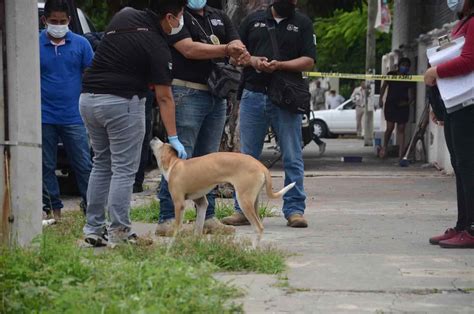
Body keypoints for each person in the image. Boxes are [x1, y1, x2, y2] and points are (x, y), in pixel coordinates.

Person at [80, 0, 188, 247]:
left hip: (88, 99)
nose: (181, 22)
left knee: (101, 163)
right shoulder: (158, 45)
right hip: (122, 102)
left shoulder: (124, 15)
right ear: (170, 17)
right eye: (180, 16)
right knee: (123, 169)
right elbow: (164, 96)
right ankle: (120, 232)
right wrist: (173, 137)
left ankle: (94, 227)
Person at [156, 0, 250, 236]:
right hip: (187, 92)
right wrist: (227, 49)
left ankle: (207, 218)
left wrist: (238, 49)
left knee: (210, 162)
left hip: (216, 94)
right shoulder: (178, 15)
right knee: (178, 157)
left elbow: (234, 38)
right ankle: (167, 218)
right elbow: (188, 49)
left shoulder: (217, 15)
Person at [221, 0, 316, 228]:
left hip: (286, 98)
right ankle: (243, 210)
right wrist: (252, 60)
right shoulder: (252, 21)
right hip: (254, 95)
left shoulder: (302, 23)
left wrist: (280, 65)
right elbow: (235, 55)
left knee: (292, 156)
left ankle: (294, 210)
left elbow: (309, 61)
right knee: (246, 159)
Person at [424, 0, 474, 249]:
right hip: (456, 104)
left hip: (469, 106)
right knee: (460, 165)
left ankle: (472, 229)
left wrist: (437, 72)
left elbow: (468, 60)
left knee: (468, 166)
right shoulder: (462, 23)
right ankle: (463, 224)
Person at [39, 0, 93, 220]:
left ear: (69, 21)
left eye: (62, 21)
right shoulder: (33, 43)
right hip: (43, 116)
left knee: (83, 165)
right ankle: (53, 211)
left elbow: (91, 76)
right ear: (45, 20)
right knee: (45, 166)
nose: (58, 25)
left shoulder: (81, 45)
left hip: (74, 117)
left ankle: (92, 207)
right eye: (54, 21)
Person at [379, 57, 415, 159]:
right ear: (399, 66)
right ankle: (384, 147)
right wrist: (380, 99)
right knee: (390, 128)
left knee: (401, 129)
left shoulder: (409, 78)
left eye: (407, 66)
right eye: (403, 65)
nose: (405, 67)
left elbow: (412, 95)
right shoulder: (391, 75)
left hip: (402, 106)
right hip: (391, 104)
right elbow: (384, 87)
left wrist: (407, 103)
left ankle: (401, 154)